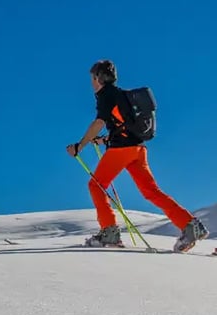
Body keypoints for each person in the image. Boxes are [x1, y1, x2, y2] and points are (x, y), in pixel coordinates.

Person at [66, 59, 209, 252]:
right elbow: (125, 125)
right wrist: (106, 140)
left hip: (122, 150)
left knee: (96, 184)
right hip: (138, 150)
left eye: (92, 78)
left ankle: (109, 232)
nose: (91, 82)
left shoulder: (105, 94)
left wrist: (79, 145)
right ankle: (190, 225)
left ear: (98, 78)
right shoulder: (122, 95)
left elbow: (99, 122)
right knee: (151, 191)